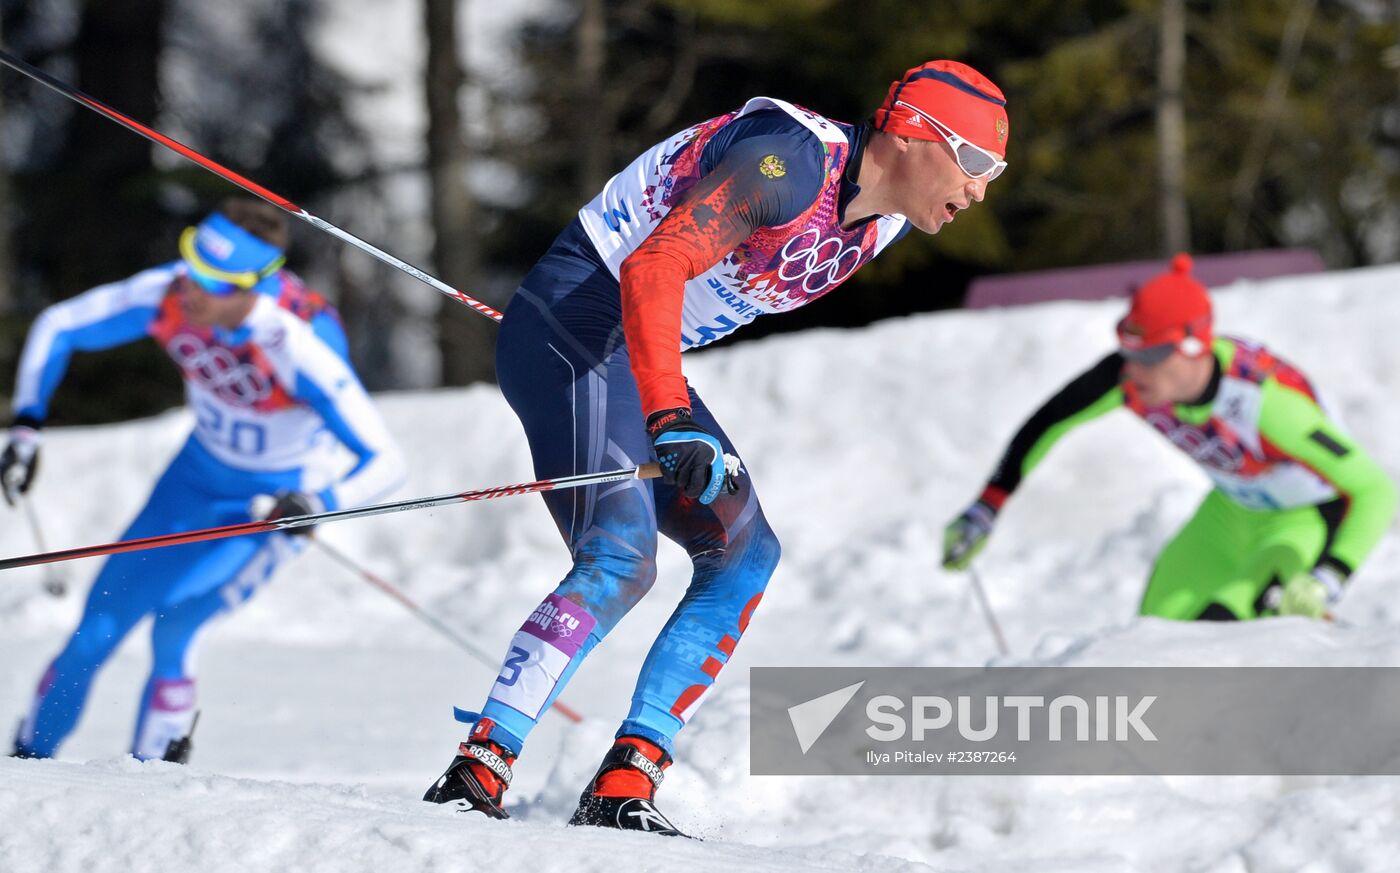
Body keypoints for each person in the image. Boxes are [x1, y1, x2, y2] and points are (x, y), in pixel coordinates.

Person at [421, 60, 1011, 835]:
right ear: (911, 133)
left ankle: (628, 777)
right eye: (973, 161)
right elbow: (657, 263)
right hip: (576, 323)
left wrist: (662, 402)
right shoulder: (789, 160)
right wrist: (669, 415)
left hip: (631, 355)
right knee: (621, 557)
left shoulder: (886, 221)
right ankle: (480, 764)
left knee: (746, 553)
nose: (979, 189)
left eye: (994, 172)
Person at [3, 197, 405, 762]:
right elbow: (59, 325)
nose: (190, 289)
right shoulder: (172, 293)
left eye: (212, 283)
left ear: (250, 287)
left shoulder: (296, 343)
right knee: (95, 629)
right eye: (191, 267)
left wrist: (317, 501)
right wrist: (25, 427)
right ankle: (24, 767)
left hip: (265, 507)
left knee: (176, 629)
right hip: (191, 482)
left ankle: (152, 788)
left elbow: (388, 460)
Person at [942, 254, 1396, 622]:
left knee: (1231, 624)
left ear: (1195, 346)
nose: (1135, 370)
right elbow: (1048, 421)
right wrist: (987, 506)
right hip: (1232, 510)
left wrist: (1329, 576)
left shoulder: (1265, 404)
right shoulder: (1131, 378)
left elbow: (1375, 490)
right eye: (1129, 353)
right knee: (1158, 631)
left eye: (1153, 355)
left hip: (1303, 520)